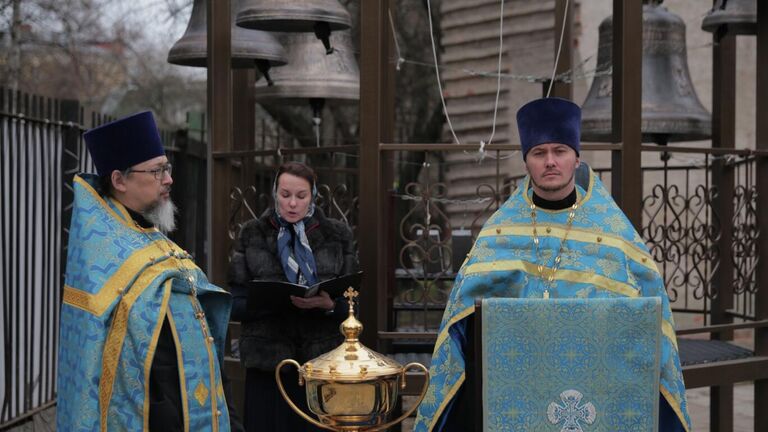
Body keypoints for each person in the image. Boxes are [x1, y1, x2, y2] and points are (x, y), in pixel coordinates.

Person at [413, 97, 691, 431]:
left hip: (598, 384)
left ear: (577, 158)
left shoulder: (614, 232)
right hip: (517, 384)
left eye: (559, 151)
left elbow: (648, 319)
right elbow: (464, 319)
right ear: (526, 162)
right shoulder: (499, 232)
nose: (550, 162)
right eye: (539, 153)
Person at [57, 111, 243, 432]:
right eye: (157, 171)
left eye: (167, 168)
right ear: (119, 180)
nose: (169, 179)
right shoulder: (105, 258)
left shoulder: (152, 239)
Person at [228, 161, 359, 431]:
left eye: (301, 196)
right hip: (268, 364)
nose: (292, 204)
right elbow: (234, 303)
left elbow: (353, 301)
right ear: (275, 193)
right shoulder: (252, 233)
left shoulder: (336, 235)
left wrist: (329, 305)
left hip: (322, 363)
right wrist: (271, 302)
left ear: (313, 196)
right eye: (285, 195)